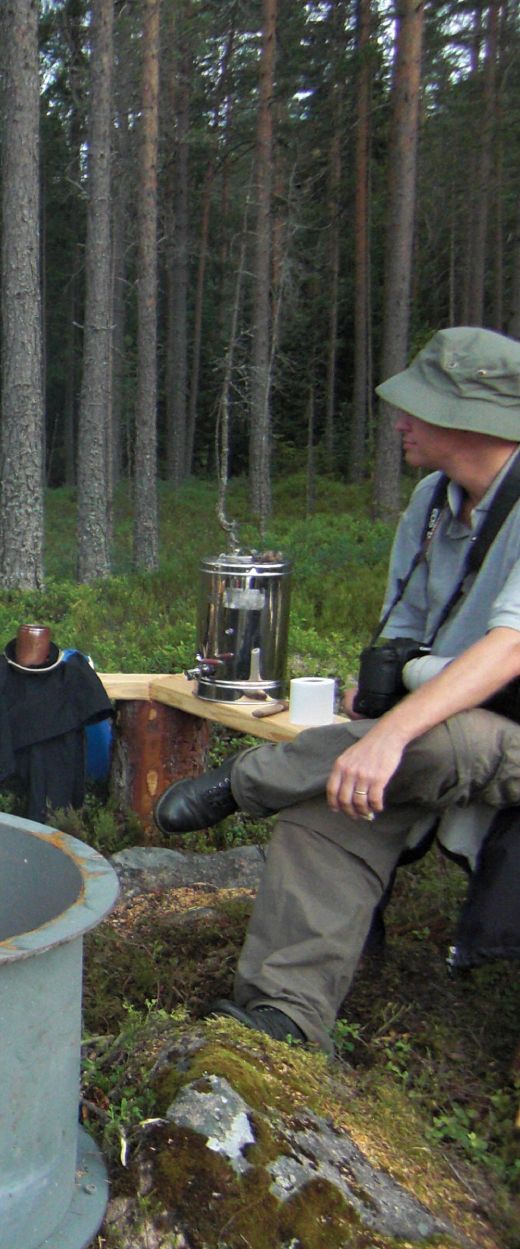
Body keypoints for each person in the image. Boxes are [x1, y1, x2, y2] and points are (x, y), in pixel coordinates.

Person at [156, 327, 520, 1054]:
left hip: (494, 725)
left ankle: (247, 780)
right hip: (442, 719)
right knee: (330, 807)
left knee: (426, 740)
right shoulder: (430, 502)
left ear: (472, 419)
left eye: (419, 405)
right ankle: (284, 1017)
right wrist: (377, 697)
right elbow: (408, 627)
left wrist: (387, 733)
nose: (400, 420)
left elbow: (509, 647)